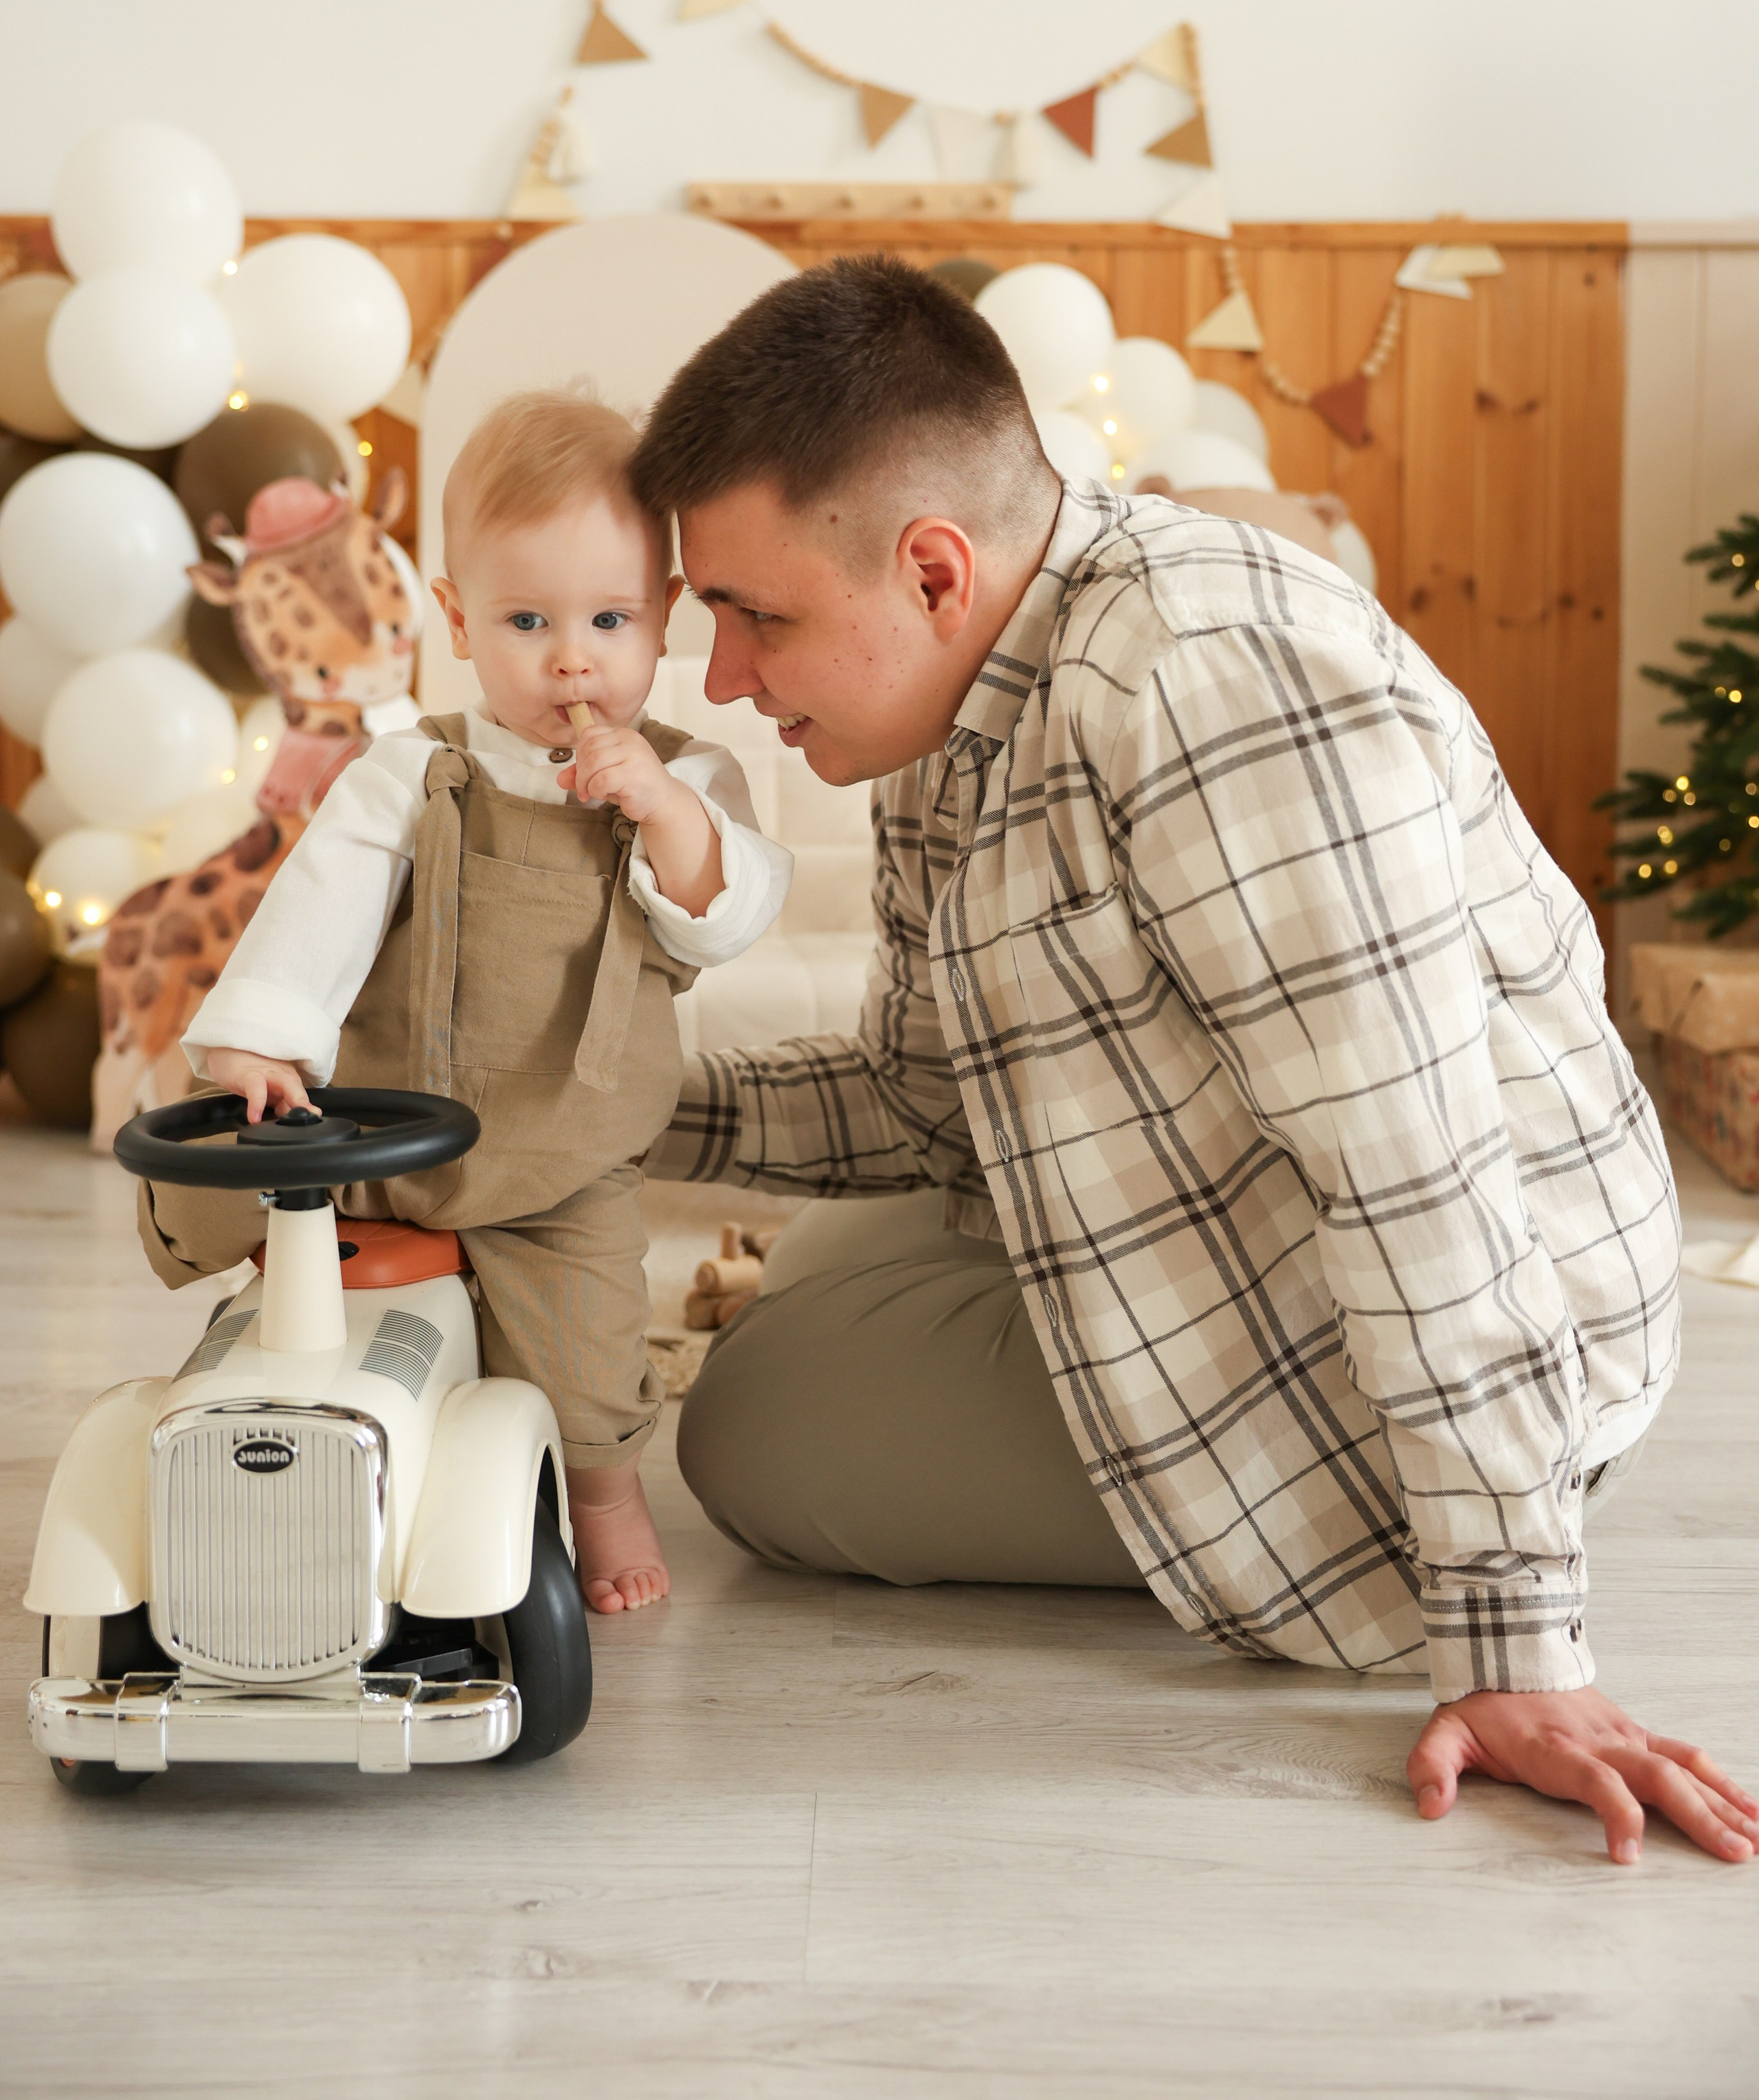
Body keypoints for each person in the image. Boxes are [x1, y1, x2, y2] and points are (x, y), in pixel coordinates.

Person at [630, 253, 1757, 1867]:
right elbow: (922, 1106)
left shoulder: (1205, 681)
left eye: (758, 616)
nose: (724, 678)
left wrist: (1512, 1640)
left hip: (1450, 1388)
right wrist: (612, 1112)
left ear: (935, 572)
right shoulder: (951, 710)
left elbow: (1414, 1177)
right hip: (1278, 1238)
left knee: (755, 1422)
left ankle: (1478, 1539)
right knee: (823, 1268)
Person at [134, 389, 792, 1616]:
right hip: (384, 1123)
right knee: (220, 1177)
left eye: (610, 619)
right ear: (456, 619)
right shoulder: (413, 768)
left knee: (591, 1348)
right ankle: (273, 1444)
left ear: (666, 617)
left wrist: (663, 811)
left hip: (561, 1157)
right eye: (527, 620)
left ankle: (606, 1500)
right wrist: (265, 1039)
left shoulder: (688, 777)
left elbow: (730, 910)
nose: (572, 659)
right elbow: (324, 895)